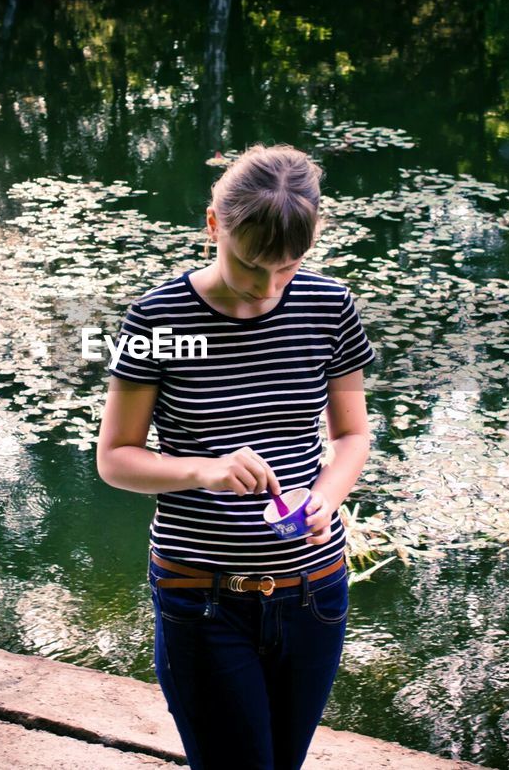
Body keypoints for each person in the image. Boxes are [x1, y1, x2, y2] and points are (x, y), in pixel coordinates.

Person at [96, 143, 376, 770]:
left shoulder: (329, 308)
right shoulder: (161, 318)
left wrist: (326, 496)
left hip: (314, 594)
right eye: (251, 264)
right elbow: (115, 458)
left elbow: (353, 437)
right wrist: (205, 471)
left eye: (288, 266)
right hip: (203, 596)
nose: (267, 287)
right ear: (214, 224)